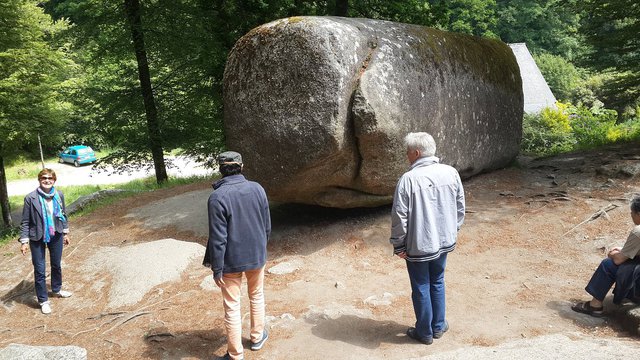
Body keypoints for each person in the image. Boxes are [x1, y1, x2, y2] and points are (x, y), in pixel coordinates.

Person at [390, 132, 465, 345]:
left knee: (421, 285)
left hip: (419, 244)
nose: (407, 156)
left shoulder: (408, 180)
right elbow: (460, 207)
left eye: (407, 152)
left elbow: (399, 216)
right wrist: (452, 229)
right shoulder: (451, 172)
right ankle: (438, 326)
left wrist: (398, 244)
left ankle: (424, 331)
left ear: (416, 153)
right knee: (438, 280)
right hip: (444, 241)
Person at [203, 151, 271, 360]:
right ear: (241, 167)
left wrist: (216, 268)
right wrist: (260, 248)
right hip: (256, 255)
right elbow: (266, 225)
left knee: (232, 307)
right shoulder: (257, 189)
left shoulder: (217, 198)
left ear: (221, 170)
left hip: (230, 261)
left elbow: (218, 238)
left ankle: (235, 354)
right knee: (256, 295)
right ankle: (257, 337)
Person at [572, 196, 640, 316]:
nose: (631, 215)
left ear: (638, 214)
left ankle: (595, 306)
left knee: (608, 264)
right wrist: (623, 250)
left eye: (632, 213)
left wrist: (613, 254)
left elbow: (618, 260)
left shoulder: (638, 231)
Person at [19, 168, 72, 314]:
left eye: (50, 178)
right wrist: (24, 242)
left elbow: (63, 215)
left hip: (56, 235)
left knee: (56, 265)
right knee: (40, 270)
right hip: (37, 237)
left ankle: (56, 290)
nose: (47, 180)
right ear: (39, 180)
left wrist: (65, 233)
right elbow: (25, 221)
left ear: (54, 180)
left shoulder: (58, 195)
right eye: (44, 178)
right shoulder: (30, 198)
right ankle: (43, 300)